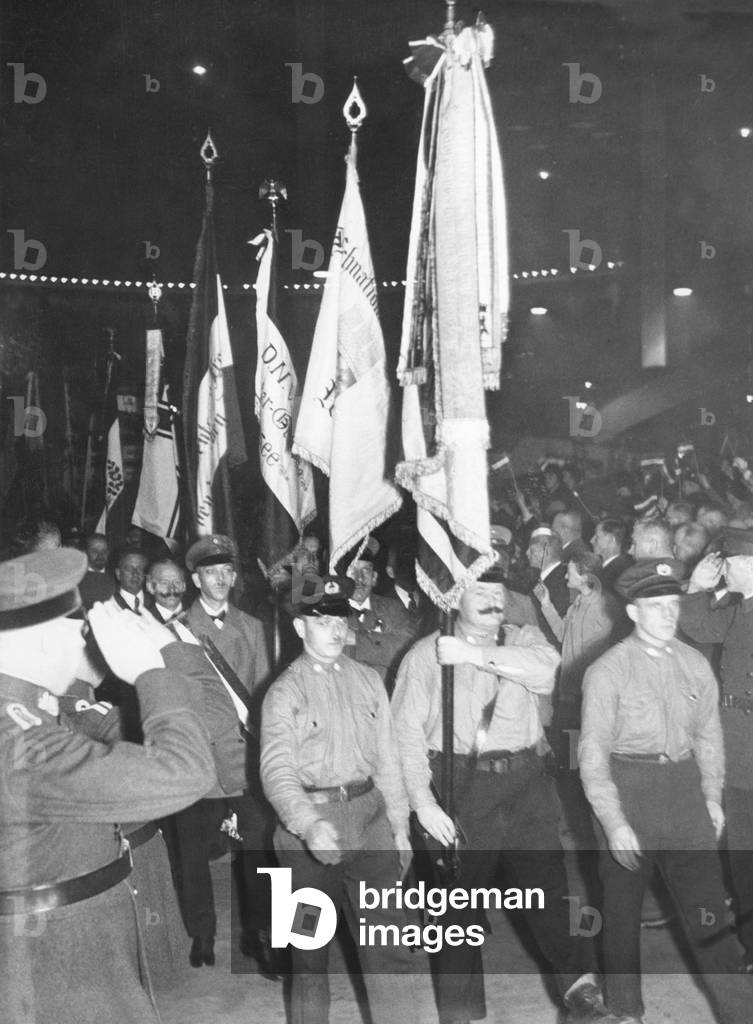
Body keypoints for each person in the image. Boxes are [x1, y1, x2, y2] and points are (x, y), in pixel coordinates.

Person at [0, 548, 216, 1024]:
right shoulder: (20, 742)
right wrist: (151, 670)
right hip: (57, 965)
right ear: (37, 641)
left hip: (72, 946)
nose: (86, 646)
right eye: (78, 633)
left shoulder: (29, 715)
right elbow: (188, 771)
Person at [391, 568, 610, 1024]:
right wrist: (423, 803)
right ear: (454, 598)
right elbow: (405, 735)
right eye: (480, 591)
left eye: (498, 591)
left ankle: (582, 999)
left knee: (549, 894)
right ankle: (460, 1014)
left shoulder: (524, 637)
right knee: (456, 911)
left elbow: (549, 673)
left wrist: (473, 653)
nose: (493, 600)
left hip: (526, 782)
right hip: (459, 785)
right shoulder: (423, 656)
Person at [579, 558, 753, 1024]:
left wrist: (712, 797)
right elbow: (592, 756)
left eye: (673, 605)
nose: (668, 615)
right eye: (655, 607)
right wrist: (614, 823)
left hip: (683, 794)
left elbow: (709, 737)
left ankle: (741, 1012)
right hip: (627, 789)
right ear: (633, 612)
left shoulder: (695, 664)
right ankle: (625, 1012)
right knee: (620, 916)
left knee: (711, 916)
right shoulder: (607, 671)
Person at [261, 575, 436, 1024]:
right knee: (308, 955)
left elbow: (388, 762)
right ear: (300, 627)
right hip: (309, 833)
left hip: (370, 819)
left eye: (340, 618)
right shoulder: (284, 693)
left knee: (392, 946)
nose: (335, 629)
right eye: (322, 620)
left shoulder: (367, 680)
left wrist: (399, 827)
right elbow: (276, 771)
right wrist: (308, 823)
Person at [180, 534, 278, 973]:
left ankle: (259, 936)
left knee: (258, 851)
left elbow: (262, 692)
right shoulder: (178, 629)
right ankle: (202, 932)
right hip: (201, 759)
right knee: (194, 850)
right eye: (210, 572)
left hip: (244, 759)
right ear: (195, 577)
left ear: (234, 576)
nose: (219, 579)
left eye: (226, 571)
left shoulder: (253, 627)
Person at [679, 528, 753, 966]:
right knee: (742, 857)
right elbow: (693, 625)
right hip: (739, 752)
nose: (726, 569)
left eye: (733, 562)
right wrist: (697, 587)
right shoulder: (736, 607)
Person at [345, 536, 423, 693]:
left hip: (388, 701)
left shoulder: (393, 609)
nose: (359, 578)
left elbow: (408, 651)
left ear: (374, 578)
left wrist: (357, 640)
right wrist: (384, 646)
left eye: (366, 570)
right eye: (353, 571)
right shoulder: (330, 613)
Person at [591, 518, 633, 592]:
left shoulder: (618, 574)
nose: (591, 540)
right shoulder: (606, 568)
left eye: (597, 537)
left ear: (611, 540)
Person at [78, 532, 116, 608]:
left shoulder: (117, 577)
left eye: (104, 551)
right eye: (94, 551)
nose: (100, 555)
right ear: (85, 553)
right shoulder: (77, 581)